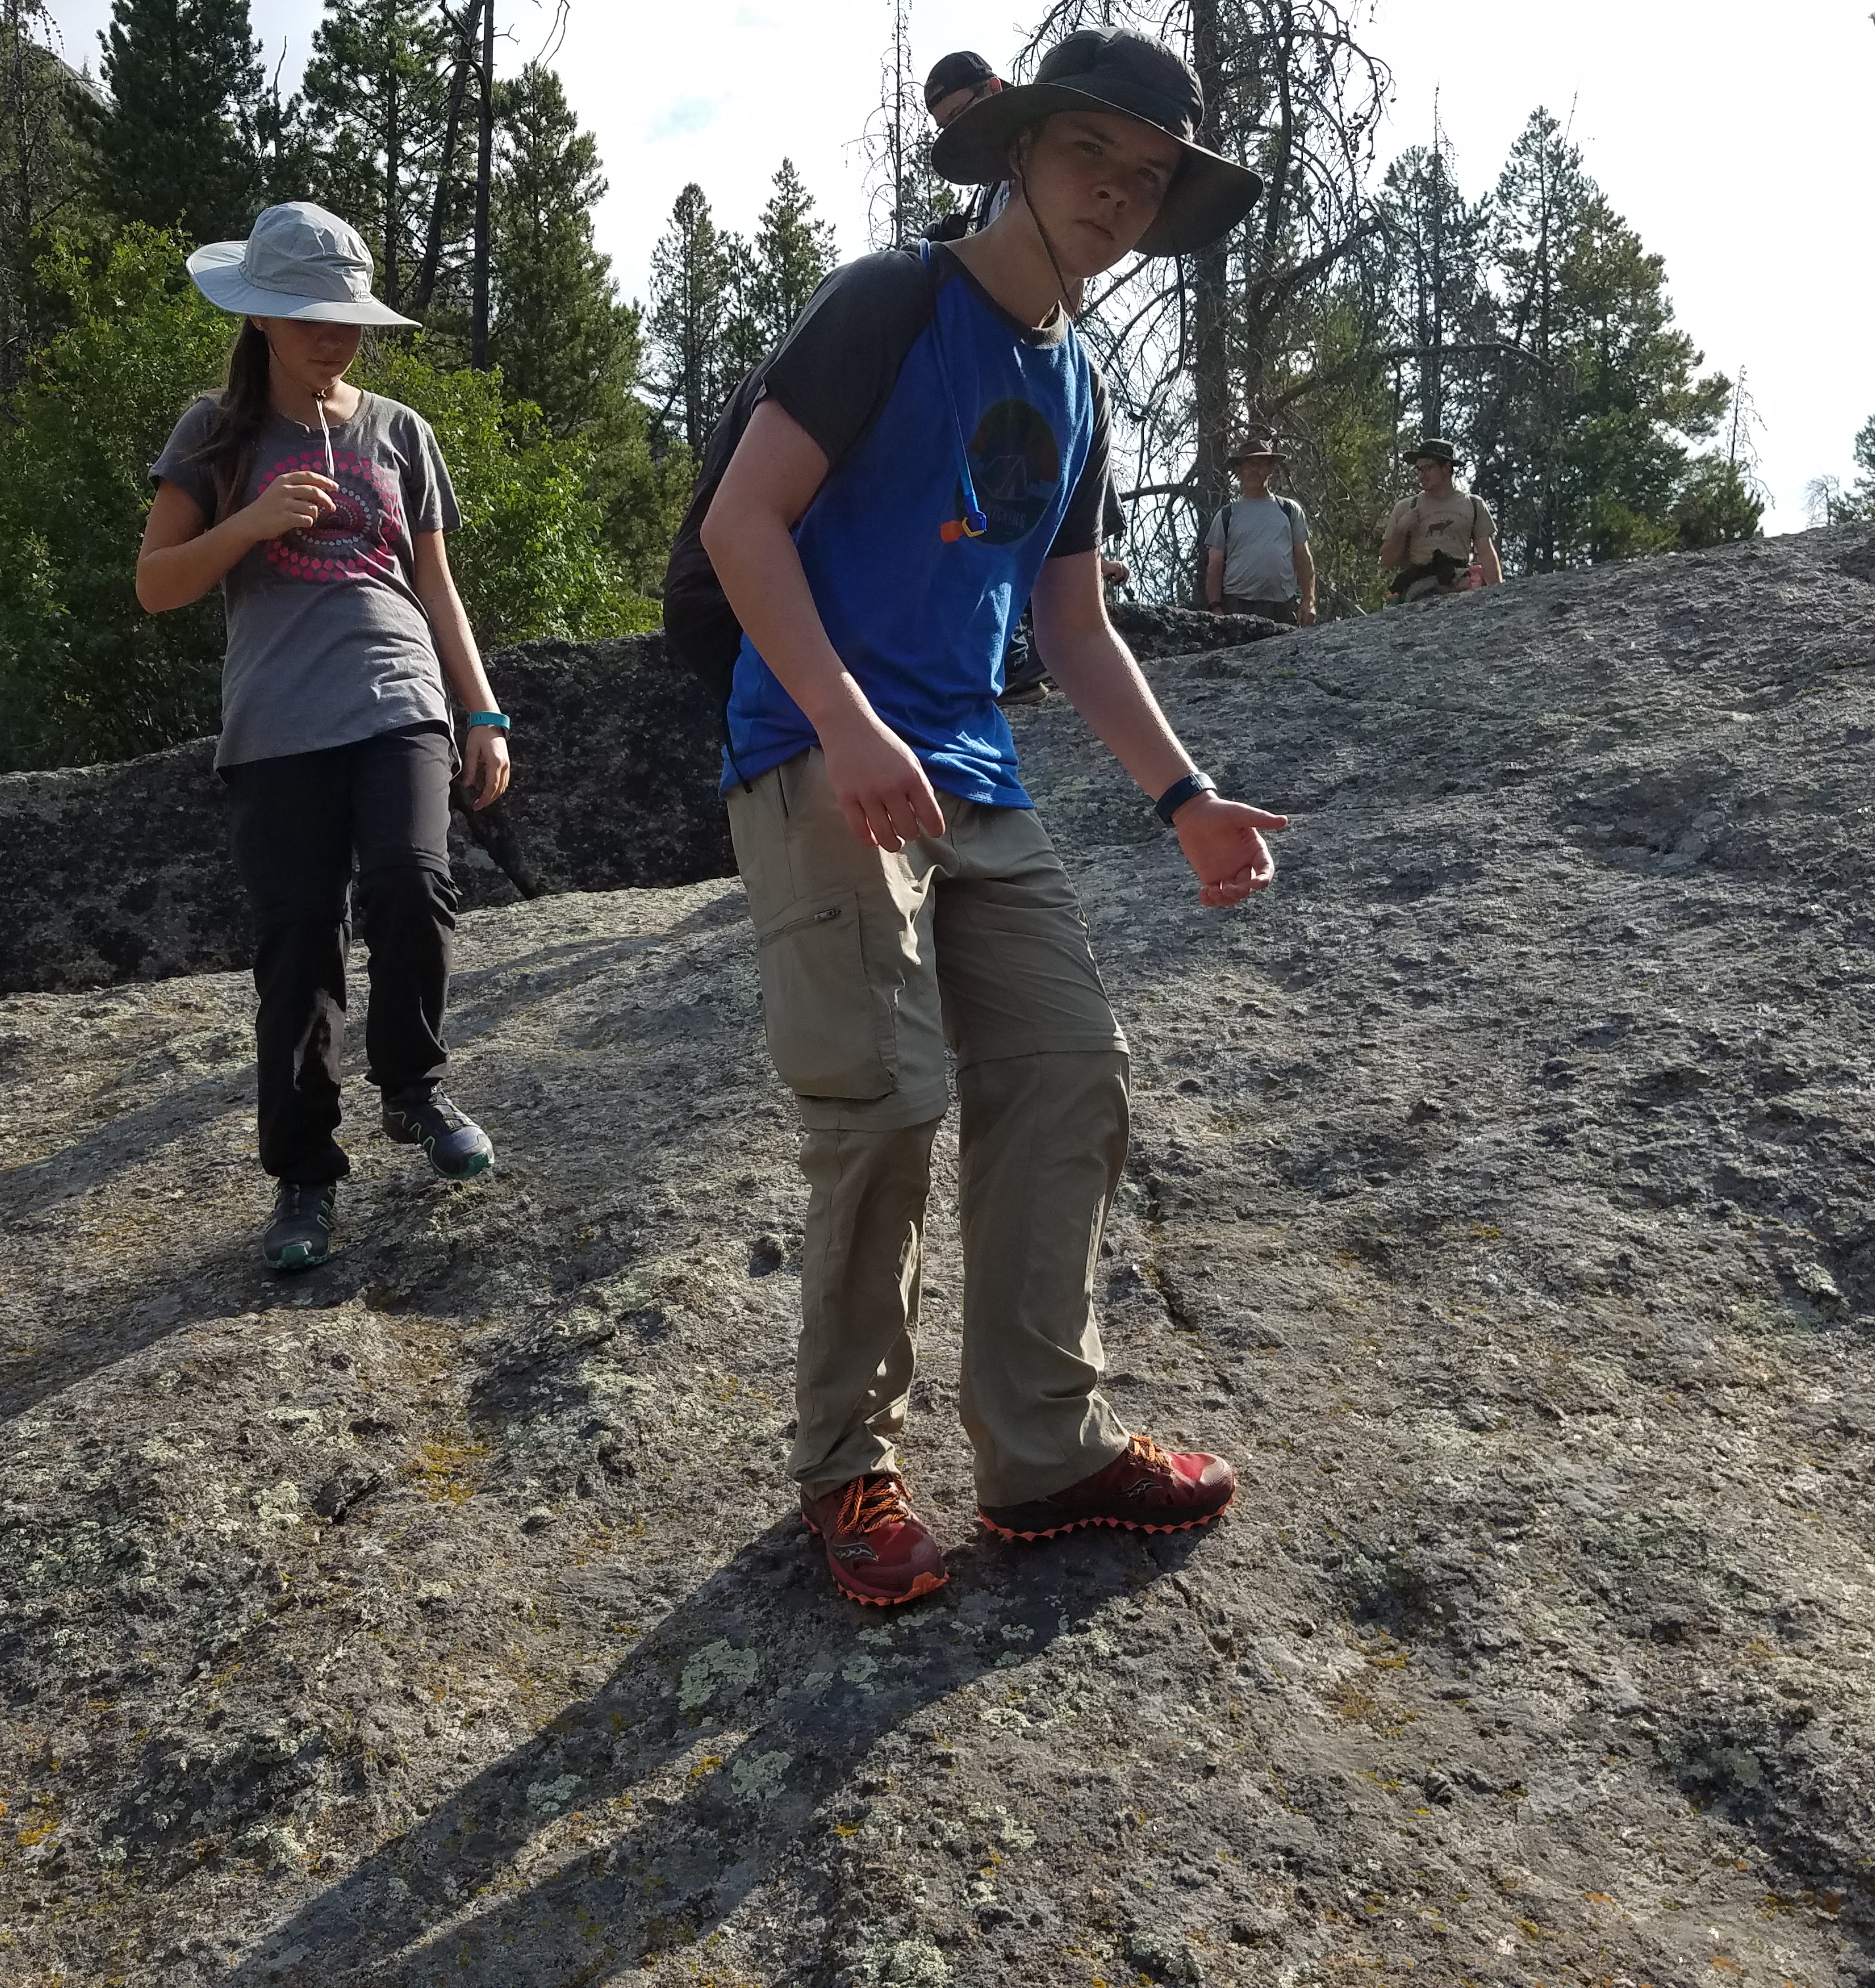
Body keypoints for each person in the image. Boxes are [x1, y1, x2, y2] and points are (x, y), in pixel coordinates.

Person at [686, 28, 1286, 1607]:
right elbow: (744, 523)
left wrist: (1186, 796)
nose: (1121, 196)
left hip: (973, 773)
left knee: (1070, 1066)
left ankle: (1044, 1452)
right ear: (1018, 149)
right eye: (1095, 156)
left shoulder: (1079, 378)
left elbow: (1077, 629)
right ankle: (849, 1465)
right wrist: (844, 721)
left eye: (1151, 179)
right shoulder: (891, 301)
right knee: (883, 1099)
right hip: (820, 746)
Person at [134, 202, 511, 1274]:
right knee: (297, 943)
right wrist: (248, 524)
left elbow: (436, 587)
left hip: (399, 696)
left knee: (409, 880)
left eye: (346, 317)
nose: (332, 335)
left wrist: (479, 709)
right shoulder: (213, 432)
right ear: (257, 317)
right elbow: (156, 585)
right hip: (277, 721)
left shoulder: (400, 431)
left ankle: (415, 1087)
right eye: (308, 316)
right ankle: (304, 1176)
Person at [1202, 436, 1316, 625]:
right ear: (1239, 470)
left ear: (1271, 468)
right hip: (1236, 607)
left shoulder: (1289, 510)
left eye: (1261, 464)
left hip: (1282, 607)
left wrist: (1309, 601)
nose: (1255, 470)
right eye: (1249, 464)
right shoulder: (1227, 515)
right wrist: (1215, 607)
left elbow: (1303, 557)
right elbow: (1215, 565)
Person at [1379, 437, 1501, 602]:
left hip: (1461, 581)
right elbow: (1386, 560)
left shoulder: (1473, 505)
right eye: (1419, 469)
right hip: (1421, 585)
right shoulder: (1406, 507)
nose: (1421, 475)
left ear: (1446, 467)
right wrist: (1401, 530)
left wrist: (1499, 594)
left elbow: (1486, 551)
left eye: (1428, 468)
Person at [920, 51, 1008, 241]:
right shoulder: (987, 193)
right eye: (946, 127)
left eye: (959, 114)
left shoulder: (1048, 159)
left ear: (994, 89)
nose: (955, 133)